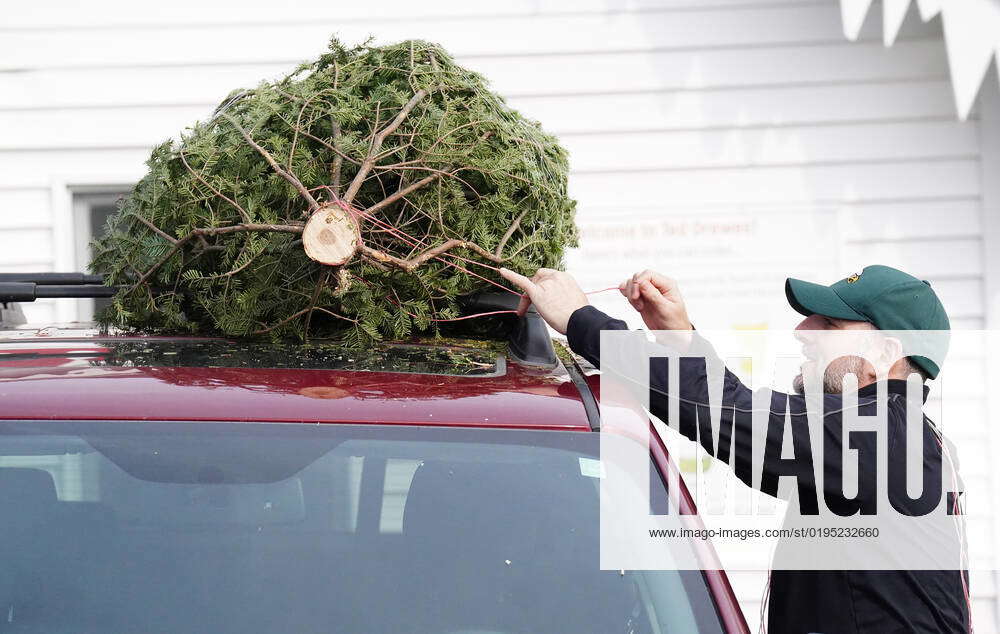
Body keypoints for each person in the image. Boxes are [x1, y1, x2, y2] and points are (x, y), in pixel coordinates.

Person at [499, 264, 969, 634]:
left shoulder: (873, 434)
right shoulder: (898, 435)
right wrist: (679, 339)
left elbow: (724, 411)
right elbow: (733, 409)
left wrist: (581, 320)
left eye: (828, 324)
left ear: (886, 353)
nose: (802, 331)